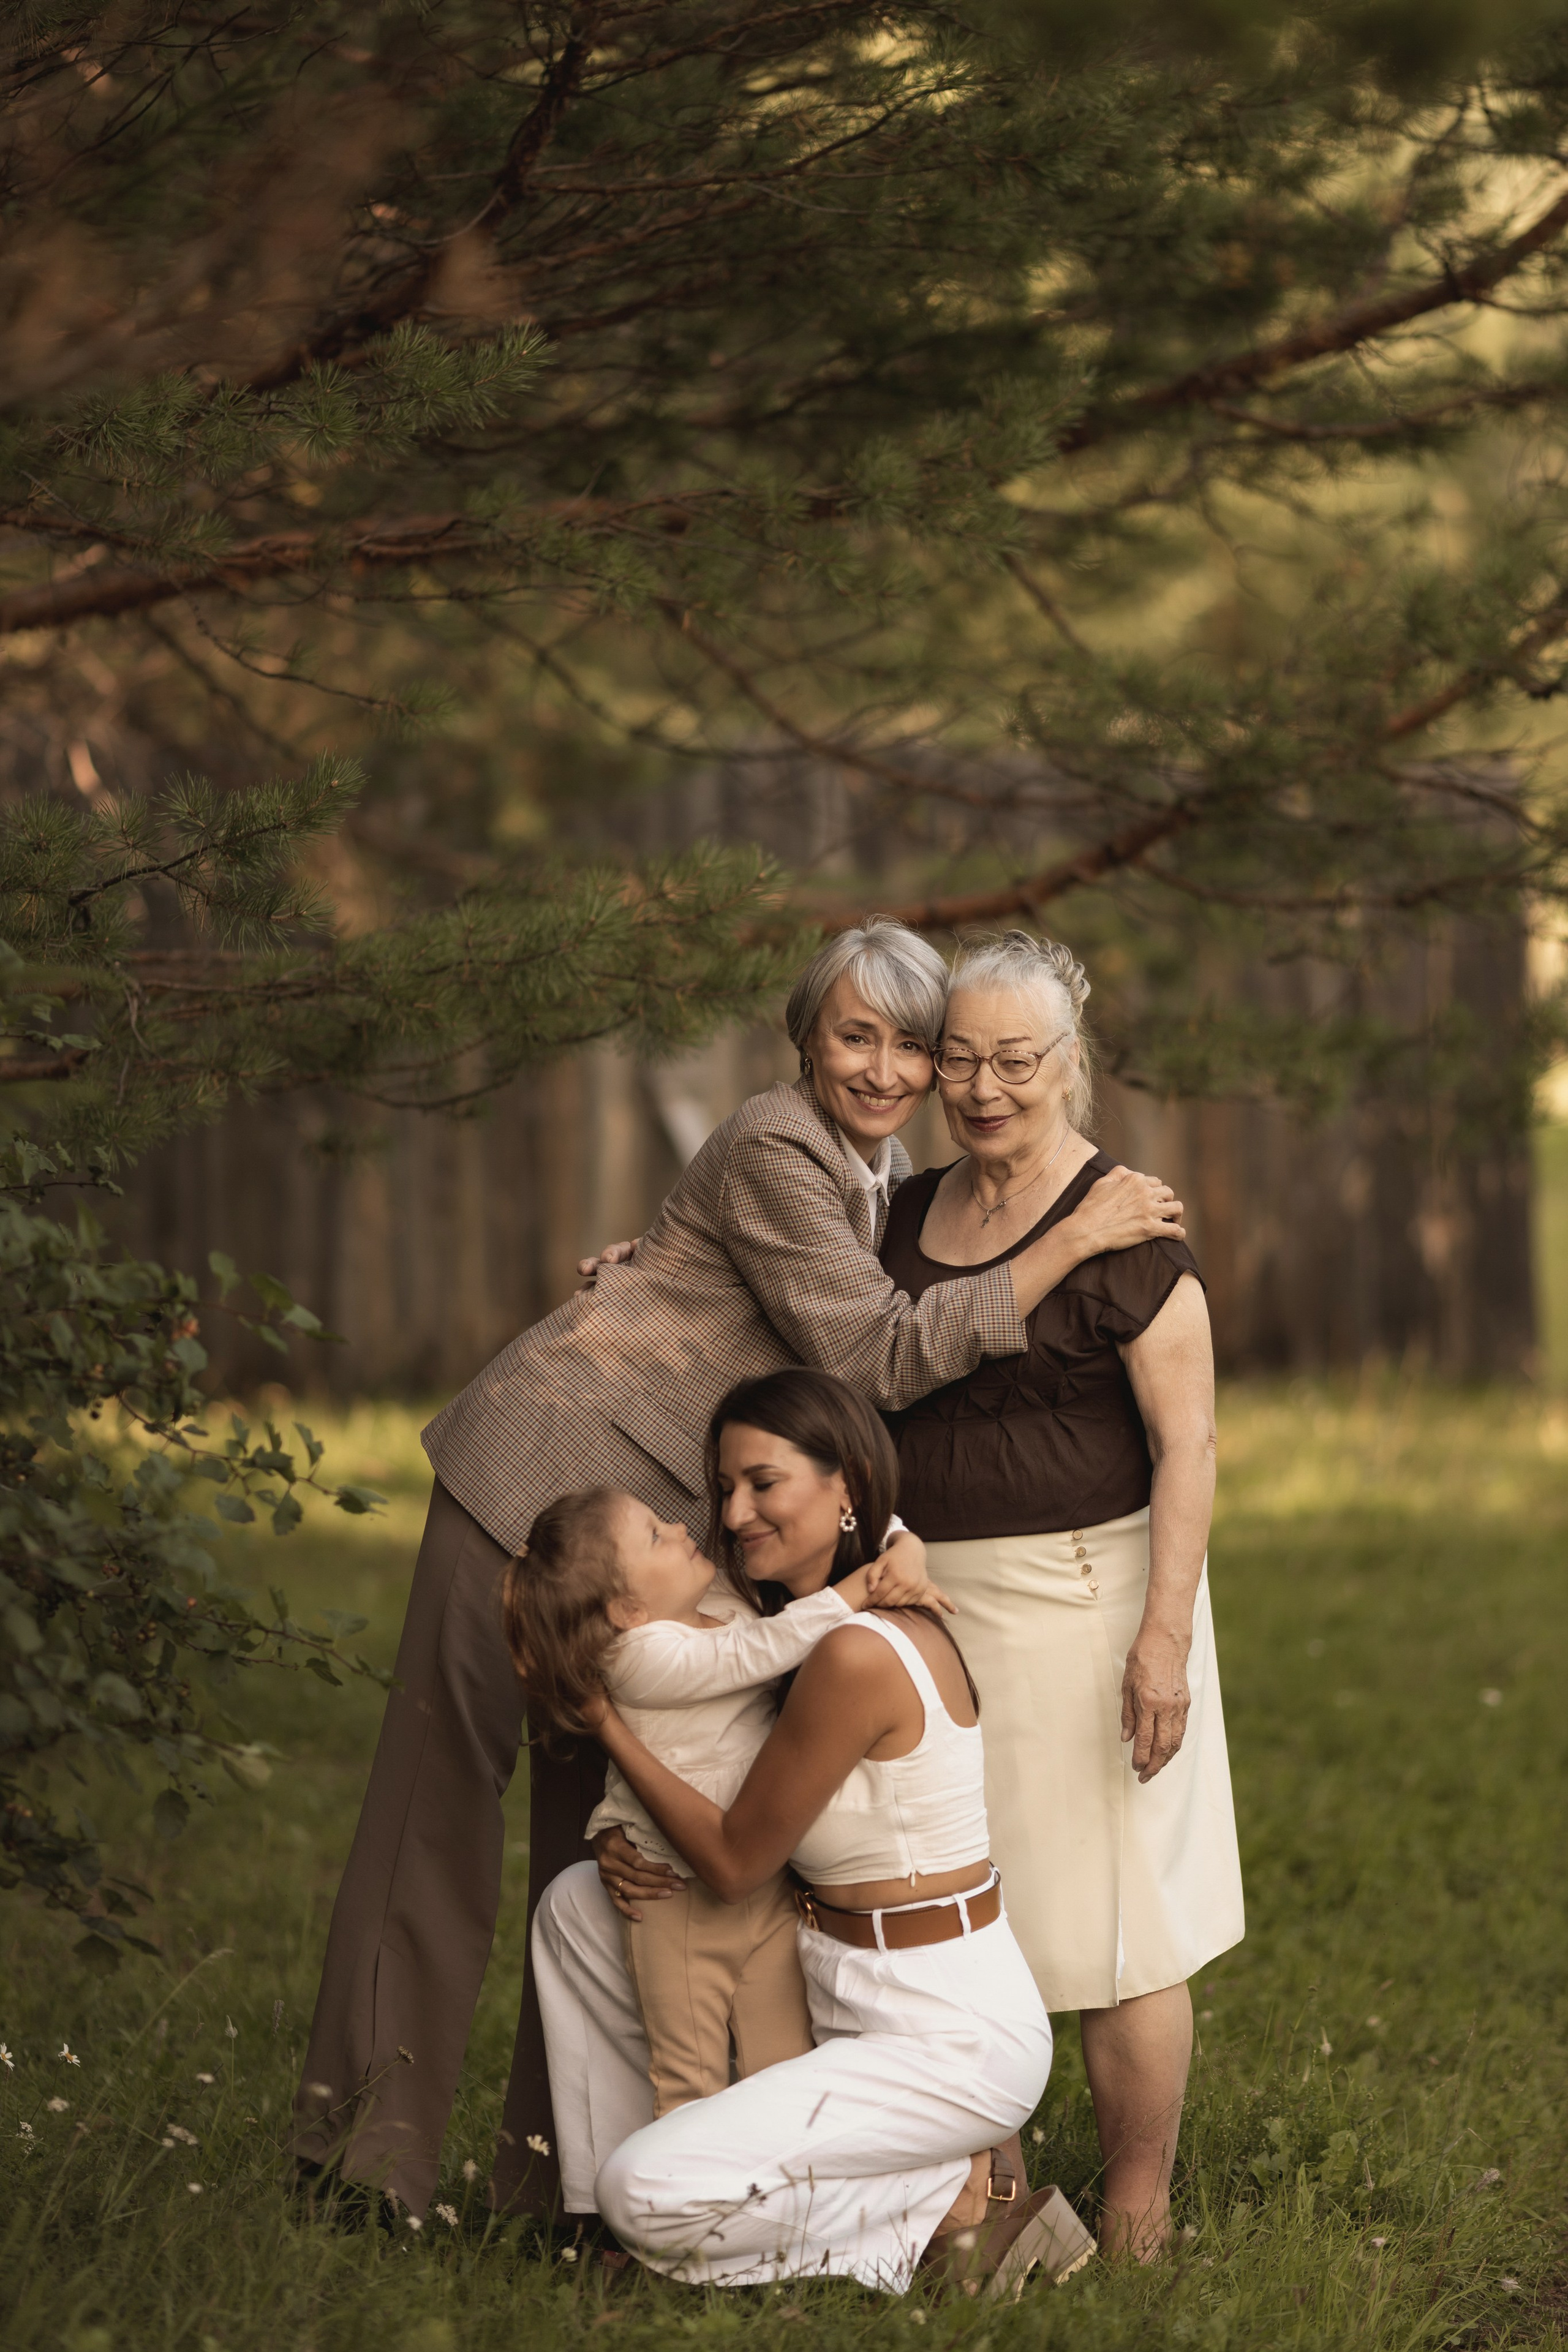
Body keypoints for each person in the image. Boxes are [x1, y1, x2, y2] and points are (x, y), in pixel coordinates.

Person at [292, 916, 1183, 2220]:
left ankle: (557, 2190)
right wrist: (1069, 1236)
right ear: (804, 1037)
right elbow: (878, 1354)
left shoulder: (878, 1187)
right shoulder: (775, 1141)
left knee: (607, 1862)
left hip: (660, 1551)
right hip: (530, 1480)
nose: (883, 1070)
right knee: (436, 1804)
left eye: (911, 1046)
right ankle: (360, 2167)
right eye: (853, 1035)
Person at [535, 1371, 1094, 2293]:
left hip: (941, 2029)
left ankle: (950, 2208)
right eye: (724, 1488)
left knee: (642, 2192)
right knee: (576, 1905)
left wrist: (606, 1727)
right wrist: (616, 1831)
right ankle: (636, 2228)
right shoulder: (780, 1623)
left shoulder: (853, 1651)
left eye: (764, 1483)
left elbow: (732, 1859)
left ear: (846, 1489)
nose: (734, 1511)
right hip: (837, 1974)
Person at [876, 929, 1245, 2260]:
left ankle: (1136, 2214)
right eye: (958, 1059)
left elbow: (1187, 1446)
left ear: (1066, 1064)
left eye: (1012, 1060)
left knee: (1118, 1926)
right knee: (965, 1921)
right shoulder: (896, 1215)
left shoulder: (1129, 1224)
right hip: (926, 1615)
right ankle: (1002, 2212)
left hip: (1092, 1606)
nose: (981, 1086)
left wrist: (1159, 1640)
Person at [502, 1482, 948, 2119]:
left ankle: (783, 2210)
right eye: (656, 1535)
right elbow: (754, 1653)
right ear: (628, 1609)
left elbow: (840, 1521)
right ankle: (681, 2211)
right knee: (688, 2080)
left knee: (786, 2067)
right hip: (678, 1902)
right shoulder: (637, 1657)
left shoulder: (714, 1598)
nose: (681, 1529)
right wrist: (862, 1590)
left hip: (768, 1887)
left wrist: (901, 1540)